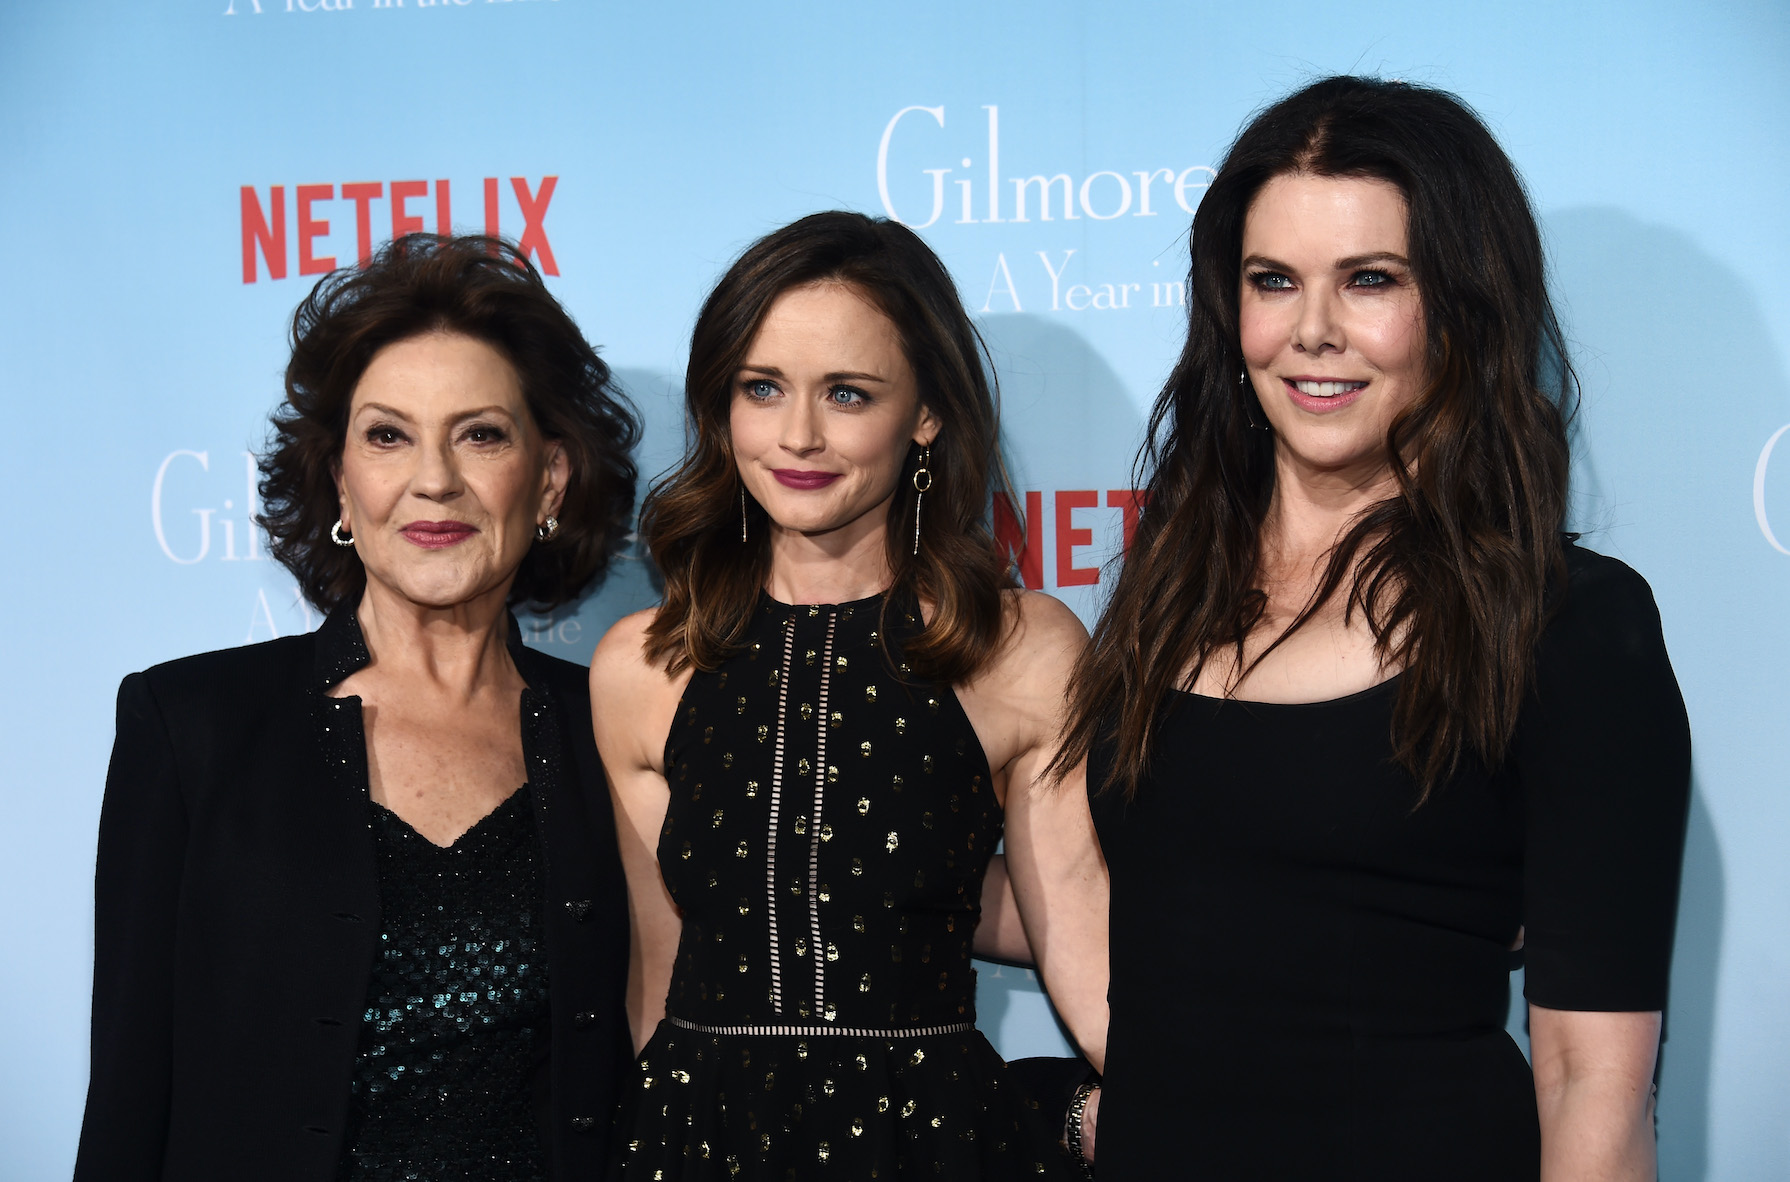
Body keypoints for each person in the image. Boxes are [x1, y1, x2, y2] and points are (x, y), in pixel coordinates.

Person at [1055, 77, 1691, 1181]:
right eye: (1272, 281)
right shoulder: (1166, 589)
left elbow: (1593, 1083)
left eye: (1368, 281)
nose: (1309, 332)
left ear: (1459, 304)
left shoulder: (1568, 624)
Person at [76, 234, 641, 1181]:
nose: (434, 479)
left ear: (548, 479)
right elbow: (131, 1091)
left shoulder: (613, 730)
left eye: (481, 434)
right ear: (340, 479)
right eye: (388, 435)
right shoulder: (192, 724)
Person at [590, 210, 1107, 1179]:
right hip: (694, 1144)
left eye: (846, 392)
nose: (798, 435)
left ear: (925, 413)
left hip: (926, 1145)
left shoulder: (1018, 650)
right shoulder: (640, 668)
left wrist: (1218, 1116)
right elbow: (656, 981)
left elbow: (1084, 960)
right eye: (761, 388)